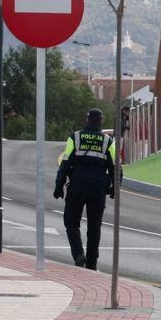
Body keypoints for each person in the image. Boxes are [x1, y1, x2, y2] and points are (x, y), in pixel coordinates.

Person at [53, 108, 115, 269]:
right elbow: (115, 167)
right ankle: (92, 264)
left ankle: (79, 255)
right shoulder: (108, 141)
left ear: (87, 119)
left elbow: (65, 164)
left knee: (71, 221)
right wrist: (116, 187)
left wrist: (59, 186)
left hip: (77, 186)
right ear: (101, 121)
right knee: (95, 226)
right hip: (98, 188)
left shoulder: (75, 137)